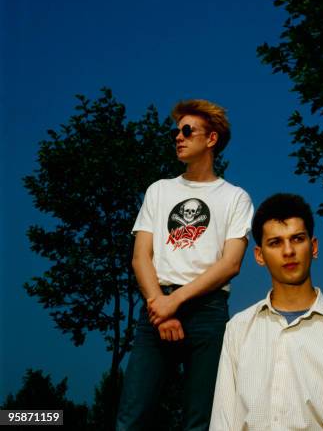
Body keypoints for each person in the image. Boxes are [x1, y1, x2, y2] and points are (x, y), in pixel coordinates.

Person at [117, 99, 253, 431]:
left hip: (206, 312)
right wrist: (158, 306)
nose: (179, 137)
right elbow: (140, 257)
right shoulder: (159, 190)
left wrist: (172, 304)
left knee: (200, 421)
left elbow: (231, 264)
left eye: (188, 130)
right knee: (131, 416)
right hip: (155, 308)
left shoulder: (235, 198)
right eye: (177, 131)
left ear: (211, 139)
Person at [210, 193, 323, 431]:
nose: (288, 251)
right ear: (259, 256)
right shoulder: (238, 328)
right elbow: (223, 420)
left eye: (297, 239)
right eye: (275, 242)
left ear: (314, 246)